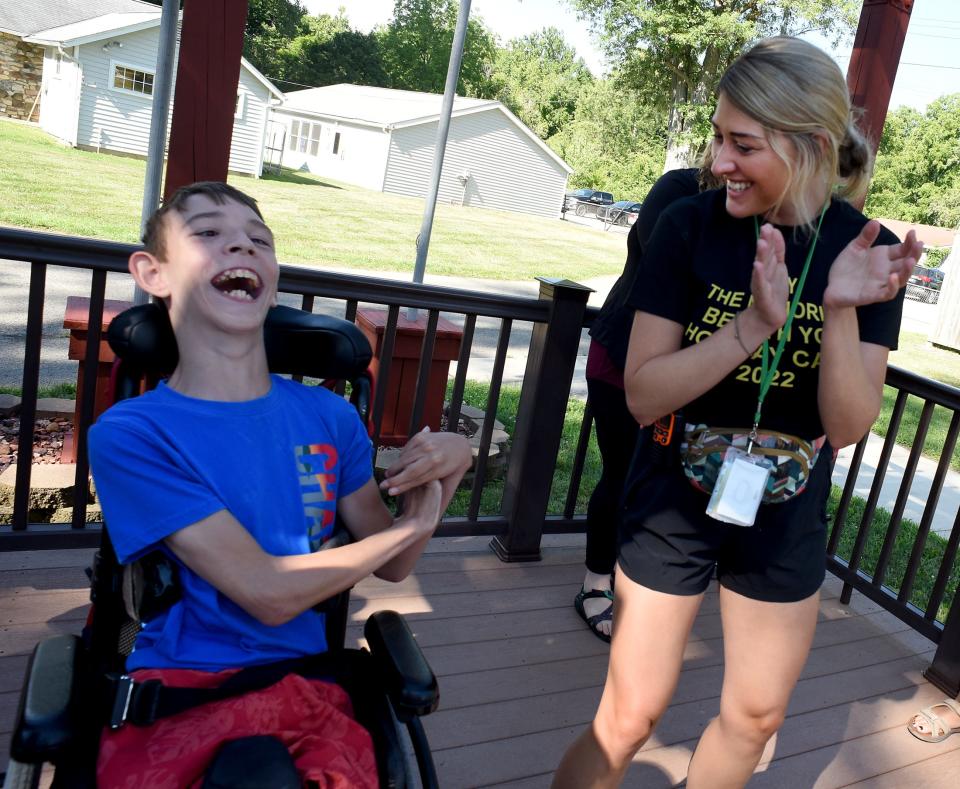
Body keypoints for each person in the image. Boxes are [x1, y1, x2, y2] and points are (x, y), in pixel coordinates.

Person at [553, 36, 922, 788]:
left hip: (787, 500)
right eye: (718, 137)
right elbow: (646, 390)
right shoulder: (690, 226)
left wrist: (841, 308)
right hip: (672, 493)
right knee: (630, 713)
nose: (719, 161)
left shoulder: (863, 250)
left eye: (742, 144)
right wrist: (751, 327)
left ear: (813, 145)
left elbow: (849, 426)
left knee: (755, 717)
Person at [87, 181, 472, 788]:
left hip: (305, 685)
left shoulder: (329, 417)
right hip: (185, 688)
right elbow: (267, 593)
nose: (241, 247)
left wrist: (450, 467)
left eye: (258, 240)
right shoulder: (133, 434)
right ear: (152, 273)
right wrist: (416, 525)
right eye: (209, 234)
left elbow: (394, 563)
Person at [578, 167, 714, 642]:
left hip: (686, 373)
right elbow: (667, 267)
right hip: (622, 358)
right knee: (623, 473)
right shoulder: (680, 189)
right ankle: (596, 581)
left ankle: (636, 582)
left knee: (660, 482)